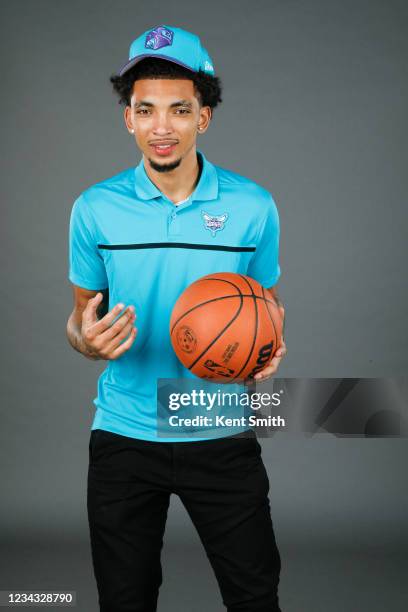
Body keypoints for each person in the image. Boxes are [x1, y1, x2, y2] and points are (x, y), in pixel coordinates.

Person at [66, 24, 287, 612]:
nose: (161, 127)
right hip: (122, 435)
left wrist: (267, 354)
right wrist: (86, 341)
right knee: (125, 600)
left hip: (221, 430)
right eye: (146, 110)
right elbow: (78, 322)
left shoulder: (253, 207)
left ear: (203, 117)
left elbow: (262, 312)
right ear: (129, 119)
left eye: (179, 109)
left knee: (255, 597)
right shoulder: (94, 209)